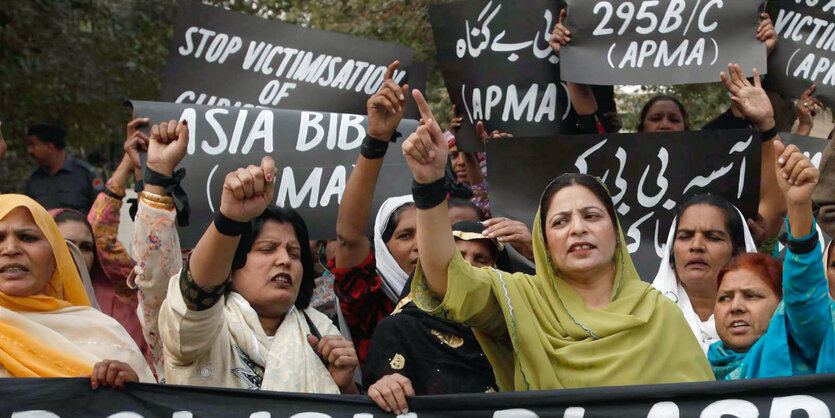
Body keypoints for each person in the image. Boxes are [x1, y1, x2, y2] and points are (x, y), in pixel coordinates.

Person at [400, 89, 712, 390]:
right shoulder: (518, 299)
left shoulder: (658, 311)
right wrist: (429, 184)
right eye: (560, 221)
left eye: (591, 216)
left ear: (617, 235)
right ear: (543, 243)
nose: (578, 229)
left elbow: (698, 404)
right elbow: (445, 278)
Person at [137, 119, 358, 392]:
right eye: (267, 249)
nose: (284, 260)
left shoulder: (321, 331)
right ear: (230, 268)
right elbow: (194, 295)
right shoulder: (204, 327)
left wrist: (343, 387)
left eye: (294, 252)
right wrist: (230, 220)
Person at [709, 139, 835, 379]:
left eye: (751, 295)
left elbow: (803, 296)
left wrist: (798, 206)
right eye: (724, 298)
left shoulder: (805, 348)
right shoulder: (694, 368)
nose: (735, 307)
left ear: (781, 305)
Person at [0, 194, 154, 388]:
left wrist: (131, 388)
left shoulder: (103, 332)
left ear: (56, 257)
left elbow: (150, 407)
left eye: (27, 238)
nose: (11, 249)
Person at [366, 221, 502, 415]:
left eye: (480, 259)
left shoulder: (510, 330)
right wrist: (385, 386)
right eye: (458, 256)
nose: (468, 266)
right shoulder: (400, 329)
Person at [652, 194, 757, 353]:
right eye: (685, 237)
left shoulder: (767, 320)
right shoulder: (645, 315)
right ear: (671, 251)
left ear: (739, 253)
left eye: (713, 237)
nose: (696, 246)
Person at [24, 124, 103, 212]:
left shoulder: (86, 175)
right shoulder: (34, 179)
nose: (30, 150)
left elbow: (101, 213)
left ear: (49, 147)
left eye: (33, 145)